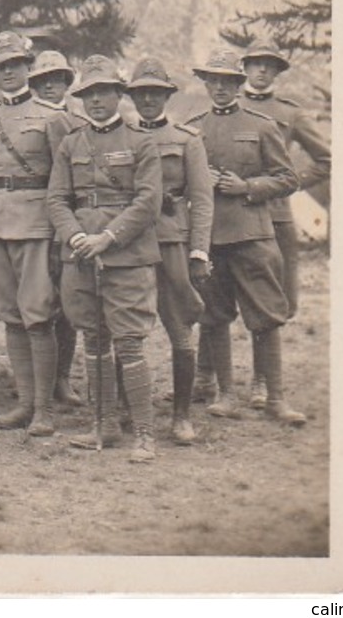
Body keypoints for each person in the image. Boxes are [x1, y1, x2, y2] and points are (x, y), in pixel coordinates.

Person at [45, 56, 164, 462]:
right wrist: (77, 236)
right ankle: (104, 424)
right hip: (80, 254)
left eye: (104, 92)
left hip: (127, 256)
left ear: (118, 95)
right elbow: (57, 199)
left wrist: (108, 237)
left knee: (129, 343)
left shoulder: (142, 142)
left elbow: (149, 202)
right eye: (88, 93)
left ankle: (145, 434)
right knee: (94, 339)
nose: (96, 100)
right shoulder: (70, 144)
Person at [0, 30, 79, 438]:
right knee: (11, 317)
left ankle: (44, 410)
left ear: (27, 69)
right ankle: (24, 402)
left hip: (36, 225)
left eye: (14, 66)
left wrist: (59, 234)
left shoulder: (52, 118)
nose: (7, 74)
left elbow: (65, 182)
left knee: (38, 317)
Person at [185, 49, 305, 426]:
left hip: (253, 234)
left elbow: (288, 179)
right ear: (205, 84)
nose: (220, 88)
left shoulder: (262, 125)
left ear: (238, 85)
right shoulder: (192, 130)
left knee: (267, 317)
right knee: (215, 316)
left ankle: (275, 398)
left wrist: (246, 186)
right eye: (214, 81)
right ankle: (225, 394)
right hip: (210, 237)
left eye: (228, 82)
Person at [126, 57, 214, 445]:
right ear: (131, 96)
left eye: (155, 92)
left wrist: (198, 252)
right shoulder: (120, 136)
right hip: (129, 245)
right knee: (126, 326)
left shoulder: (186, 139)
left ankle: (180, 416)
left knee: (180, 329)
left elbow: (202, 200)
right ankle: (129, 410)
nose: (148, 98)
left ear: (165, 96)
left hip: (171, 244)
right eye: (141, 92)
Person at [238, 40, 330, 408]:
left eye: (270, 65)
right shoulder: (228, 105)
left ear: (278, 71)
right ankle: (207, 379)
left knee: (275, 299)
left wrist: (289, 182)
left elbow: (325, 160)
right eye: (256, 63)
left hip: (274, 216)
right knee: (215, 296)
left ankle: (262, 381)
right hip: (229, 214)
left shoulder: (290, 113)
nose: (262, 70)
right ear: (244, 68)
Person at [29, 48, 85, 408]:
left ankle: (62, 377)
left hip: (71, 216)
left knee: (69, 300)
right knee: (35, 298)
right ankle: (36, 378)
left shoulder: (80, 122)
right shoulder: (29, 119)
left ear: (67, 83)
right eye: (44, 80)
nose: (51, 86)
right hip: (35, 215)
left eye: (58, 79)